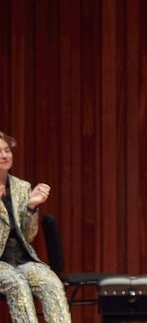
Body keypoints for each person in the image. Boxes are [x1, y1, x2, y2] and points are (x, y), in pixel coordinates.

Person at [0, 132, 71, 323]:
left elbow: (29, 236)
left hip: (22, 259)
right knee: (17, 284)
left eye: (7, 150)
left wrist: (31, 207)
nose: (5, 156)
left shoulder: (22, 187)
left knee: (51, 283)